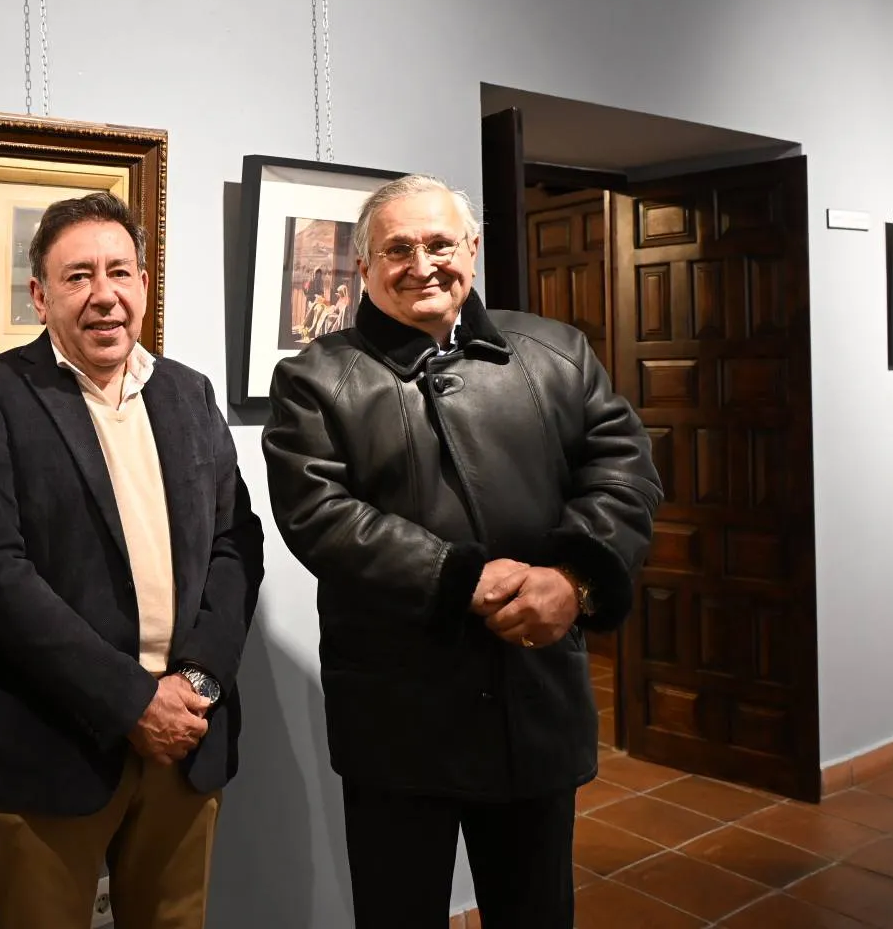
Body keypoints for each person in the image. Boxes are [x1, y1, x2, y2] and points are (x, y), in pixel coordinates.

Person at [262, 174, 661, 928]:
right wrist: (464, 579)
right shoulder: (313, 380)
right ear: (363, 266)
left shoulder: (556, 352)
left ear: (471, 249)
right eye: (398, 248)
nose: (423, 264)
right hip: (397, 713)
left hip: (532, 697)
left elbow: (625, 469)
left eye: (440, 243)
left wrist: (574, 579)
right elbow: (321, 516)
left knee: (536, 909)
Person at [0, 190, 264, 929]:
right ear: (39, 294)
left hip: (189, 732)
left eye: (120, 272)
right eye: (78, 275)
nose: (104, 295)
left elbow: (234, 541)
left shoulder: (187, 391)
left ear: (144, 285)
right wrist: (130, 701)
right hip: (56, 738)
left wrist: (199, 680)